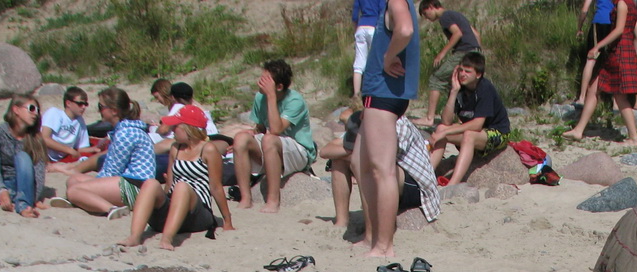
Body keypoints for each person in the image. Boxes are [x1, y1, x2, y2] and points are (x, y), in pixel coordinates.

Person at [119, 105, 234, 251]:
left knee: (182, 186)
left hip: (197, 213)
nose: (172, 130)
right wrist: (162, 200)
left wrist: (227, 221)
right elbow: (169, 184)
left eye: (176, 126)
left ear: (188, 128)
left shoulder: (208, 149)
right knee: (150, 183)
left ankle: (167, 239)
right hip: (175, 206)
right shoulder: (176, 148)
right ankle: (135, 236)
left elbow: (216, 187)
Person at [358, 0, 420, 257]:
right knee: (361, 164)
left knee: (382, 171)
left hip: (383, 93)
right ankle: (372, 237)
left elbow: (405, 29)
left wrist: (388, 56)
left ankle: (384, 245)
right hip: (382, 93)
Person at [330, 110, 440, 238]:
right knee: (339, 161)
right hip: (393, 178)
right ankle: (341, 221)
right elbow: (326, 151)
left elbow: (381, 160)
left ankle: (373, 231)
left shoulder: (398, 126)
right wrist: (352, 152)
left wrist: (354, 154)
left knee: (372, 166)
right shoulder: (366, 122)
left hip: (417, 186)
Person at [232, 59, 317, 213]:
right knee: (240, 139)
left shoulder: (295, 100)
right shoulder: (260, 98)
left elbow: (276, 130)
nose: (260, 83)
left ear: (279, 86)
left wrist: (271, 96)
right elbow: (261, 128)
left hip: (299, 151)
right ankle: (246, 198)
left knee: (269, 139)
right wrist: (253, 133)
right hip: (272, 146)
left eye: (266, 81)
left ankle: (273, 200)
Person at [62, 87, 155, 218]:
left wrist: (91, 185)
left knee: (74, 190)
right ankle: (84, 200)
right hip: (128, 183)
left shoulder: (126, 134)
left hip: (136, 188)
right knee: (73, 180)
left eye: (101, 107)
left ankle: (110, 208)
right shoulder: (124, 130)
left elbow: (113, 171)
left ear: (114, 111)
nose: (99, 110)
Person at [563, 0, 637, 145]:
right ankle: (579, 130)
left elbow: (619, 30)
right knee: (594, 89)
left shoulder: (622, 4)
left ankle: (634, 137)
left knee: (619, 96)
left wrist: (597, 46)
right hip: (623, 51)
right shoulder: (631, 4)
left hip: (619, 52)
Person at [427, 52, 510, 186]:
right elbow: (446, 121)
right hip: (475, 132)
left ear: (478, 74)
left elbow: (477, 125)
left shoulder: (485, 88)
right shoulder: (460, 88)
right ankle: (426, 175)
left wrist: (446, 132)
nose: (462, 74)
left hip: (497, 132)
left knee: (468, 135)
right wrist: (454, 92)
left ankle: (453, 184)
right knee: (441, 128)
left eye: (467, 71)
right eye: (461, 70)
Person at [416, 0, 482, 128]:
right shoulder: (457, 15)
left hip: (463, 52)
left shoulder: (445, 16)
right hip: (474, 51)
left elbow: (457, 33)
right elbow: (476, 34)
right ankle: (461, 118)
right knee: (459, 84)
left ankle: (429, 118)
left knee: (436, 79)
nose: (427, 18)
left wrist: (441, 54)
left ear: (431, 7)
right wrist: (478, 54)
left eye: (426, 14)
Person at [40, 87, 98, 163]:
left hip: (63, 159)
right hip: (44, 157)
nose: (84, 107)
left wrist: (95, 148)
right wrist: (69, 150)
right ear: (68, 103)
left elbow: (81, 148)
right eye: (80, 104)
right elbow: (44, 138)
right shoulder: (55, 113)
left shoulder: (80, 121)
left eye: (85, 104)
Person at [575, 0, 614, 108]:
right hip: (613, 23)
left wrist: (579, 28)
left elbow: (584, 10)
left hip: (598, 23)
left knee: (591, 59)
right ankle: (615, 102)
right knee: (612, 59)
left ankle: (582, 97)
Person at [352, 0, 387, 99]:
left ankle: (356, 94)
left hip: (361, 27)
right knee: (377, 61)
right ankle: (375, 91)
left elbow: (355, 15)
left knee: (359, 63)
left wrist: (356, 28)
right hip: (374, 26)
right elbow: (382, 11)